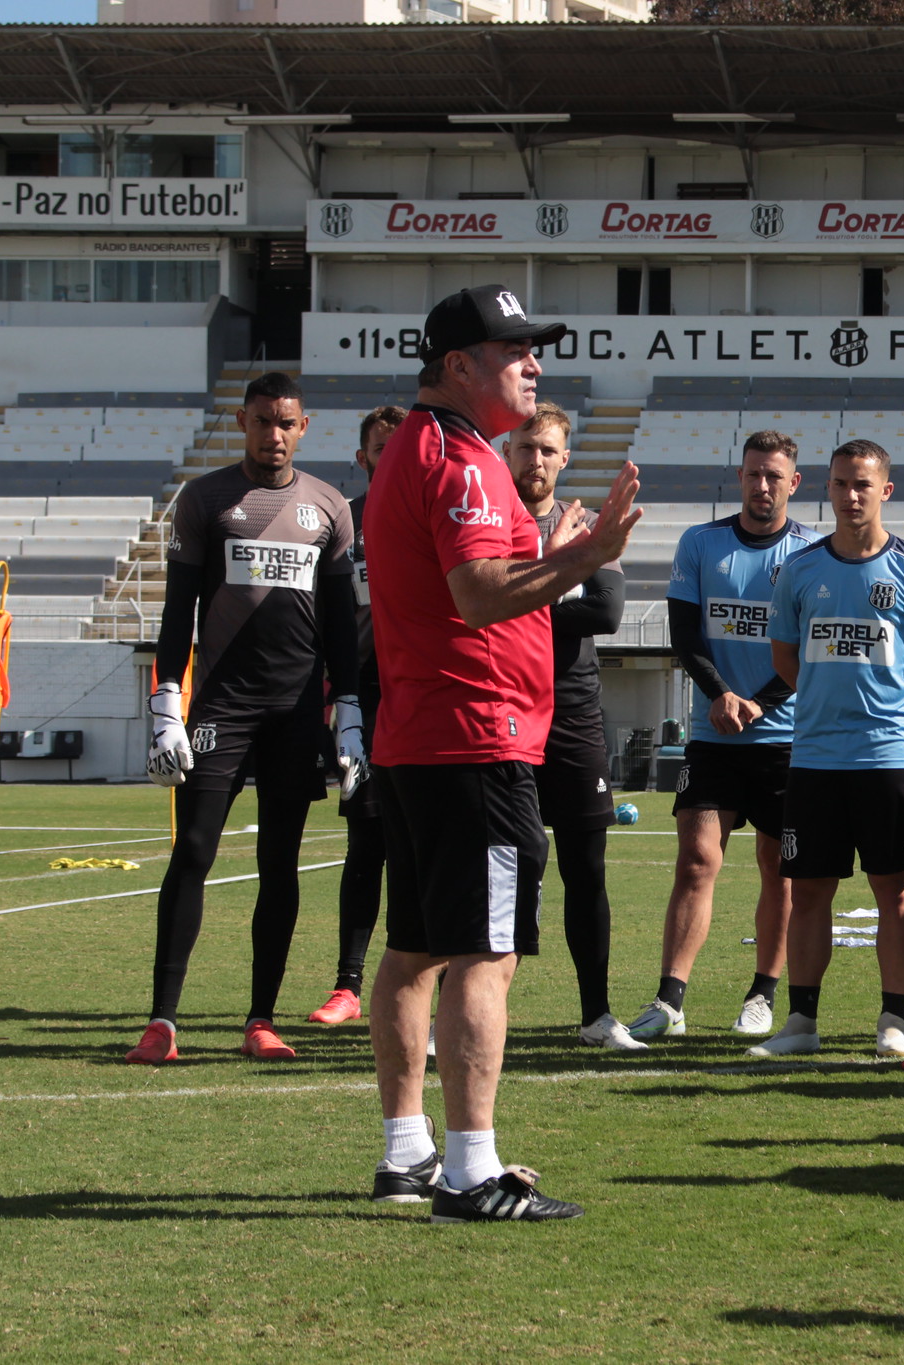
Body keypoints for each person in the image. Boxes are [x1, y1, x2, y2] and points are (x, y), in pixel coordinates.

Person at [364, 284, 640, 1223]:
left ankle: (407, 1151)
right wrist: (585, 554)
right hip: (474, 738)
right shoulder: (465, 458)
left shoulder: (421, 444)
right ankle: (471, 1171)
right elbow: (480, 594)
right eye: (514, 349)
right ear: (458, 365)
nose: (534, 363)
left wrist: (553, 550)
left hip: (422, 736)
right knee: (485, 953)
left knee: (414, 949)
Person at [125, 370, 364, 1066]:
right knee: (194, 851)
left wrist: (348, 710)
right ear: (242, 422)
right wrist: (166, 703)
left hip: (295, 711)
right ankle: (161, 1022)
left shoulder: (329, 507)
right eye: (262, 421)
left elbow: (342, 626)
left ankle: (261, 1020)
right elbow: (178, 612)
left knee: (279, 864)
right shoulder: (205, 499)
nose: (274, 435)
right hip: (221, 708)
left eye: (286, 423)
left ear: (303, 427)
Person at [748, 439, 904, 1059]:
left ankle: (893, 1022)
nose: (850, 495)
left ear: (885, 491)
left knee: (894, 892)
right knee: (810, 892)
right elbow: (784, 657)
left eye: (862, 484)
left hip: (887, 758)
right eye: (840, 484)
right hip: (815, 757)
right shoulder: (801, 569)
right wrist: (823, 703)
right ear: (828, 489)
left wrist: (902, 714)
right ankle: (800, 1024)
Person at [624, 431, 812, 1047]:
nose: (763, 485)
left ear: (793, 483)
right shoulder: (701, 543)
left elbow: (808, 648)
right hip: (714, 735)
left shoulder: (811, 552)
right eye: (754, 473)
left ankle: (762, 995)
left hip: (784, 738)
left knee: (779, 870)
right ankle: (669, 1000)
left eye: (774, 476)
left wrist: (759, 702)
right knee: (697, 861)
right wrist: (722, 696)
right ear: (740, 477)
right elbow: (686, 635)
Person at [503, 403, 629, 1046]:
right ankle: (464, 1012)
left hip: (573, 712)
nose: (537, 460)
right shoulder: (487, 521)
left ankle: (596, 1015)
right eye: (526, 448)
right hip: (499, 707)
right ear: (507, 451)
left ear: (565, 458)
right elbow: (466, 602)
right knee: (500, 866)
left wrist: (517, 597)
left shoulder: (586, 528)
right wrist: (557, 588)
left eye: (548, 450)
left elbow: (606, 612)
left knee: (586, 868)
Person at [308, 403, 406, 1027]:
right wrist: (335, 699)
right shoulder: (343, 524)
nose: (390, 457)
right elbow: (325, 620)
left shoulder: (435, 515)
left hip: (426, 693)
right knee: (366, 842)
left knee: (424, 845)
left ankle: (424, 979)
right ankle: (348, 986)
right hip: (365, 697)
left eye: (401, 447)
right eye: (380, 448)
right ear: (362, 457)